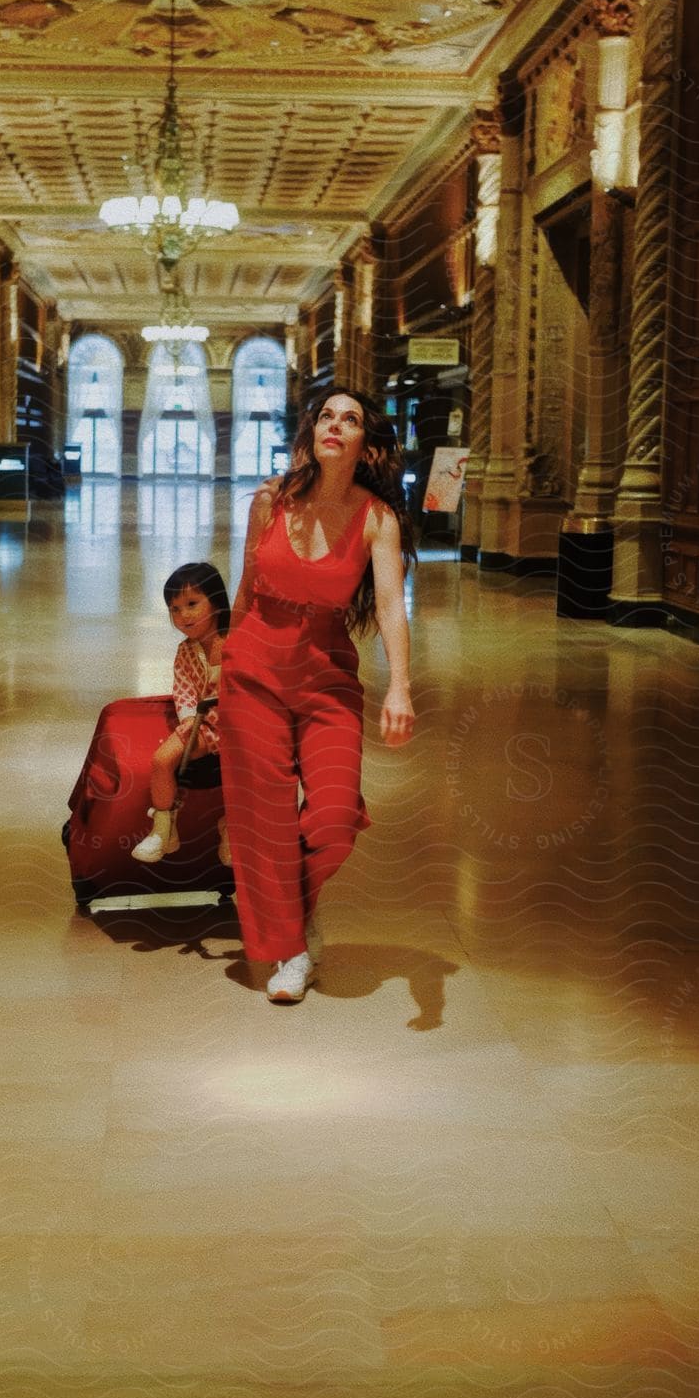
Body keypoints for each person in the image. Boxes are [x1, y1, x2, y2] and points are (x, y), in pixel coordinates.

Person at [220, 387, 416, 1001]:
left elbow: (389, 607)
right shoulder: (270, 501)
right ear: (312, 432)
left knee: (331, 821)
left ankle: (286, 903)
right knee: (269, 820)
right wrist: (217, 662)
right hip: (252, 668)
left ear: (366, 444)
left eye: (350, 419)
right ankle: (291, 950)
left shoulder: (377, 520)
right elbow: (248, 588)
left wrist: (401, 688)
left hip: (327, 674)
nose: (336, 425)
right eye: (327, 416)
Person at [131, 561, 233, 865]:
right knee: (162, 760)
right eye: (174, 609)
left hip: (240, 728)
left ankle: (233, 826)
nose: (183, 615)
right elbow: (184, 688)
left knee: (248, 770)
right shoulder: (186, 651)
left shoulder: (236, 641)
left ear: (215, 601)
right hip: (204, 727)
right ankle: (164, 827)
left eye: (191, 604)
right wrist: (188, 717)